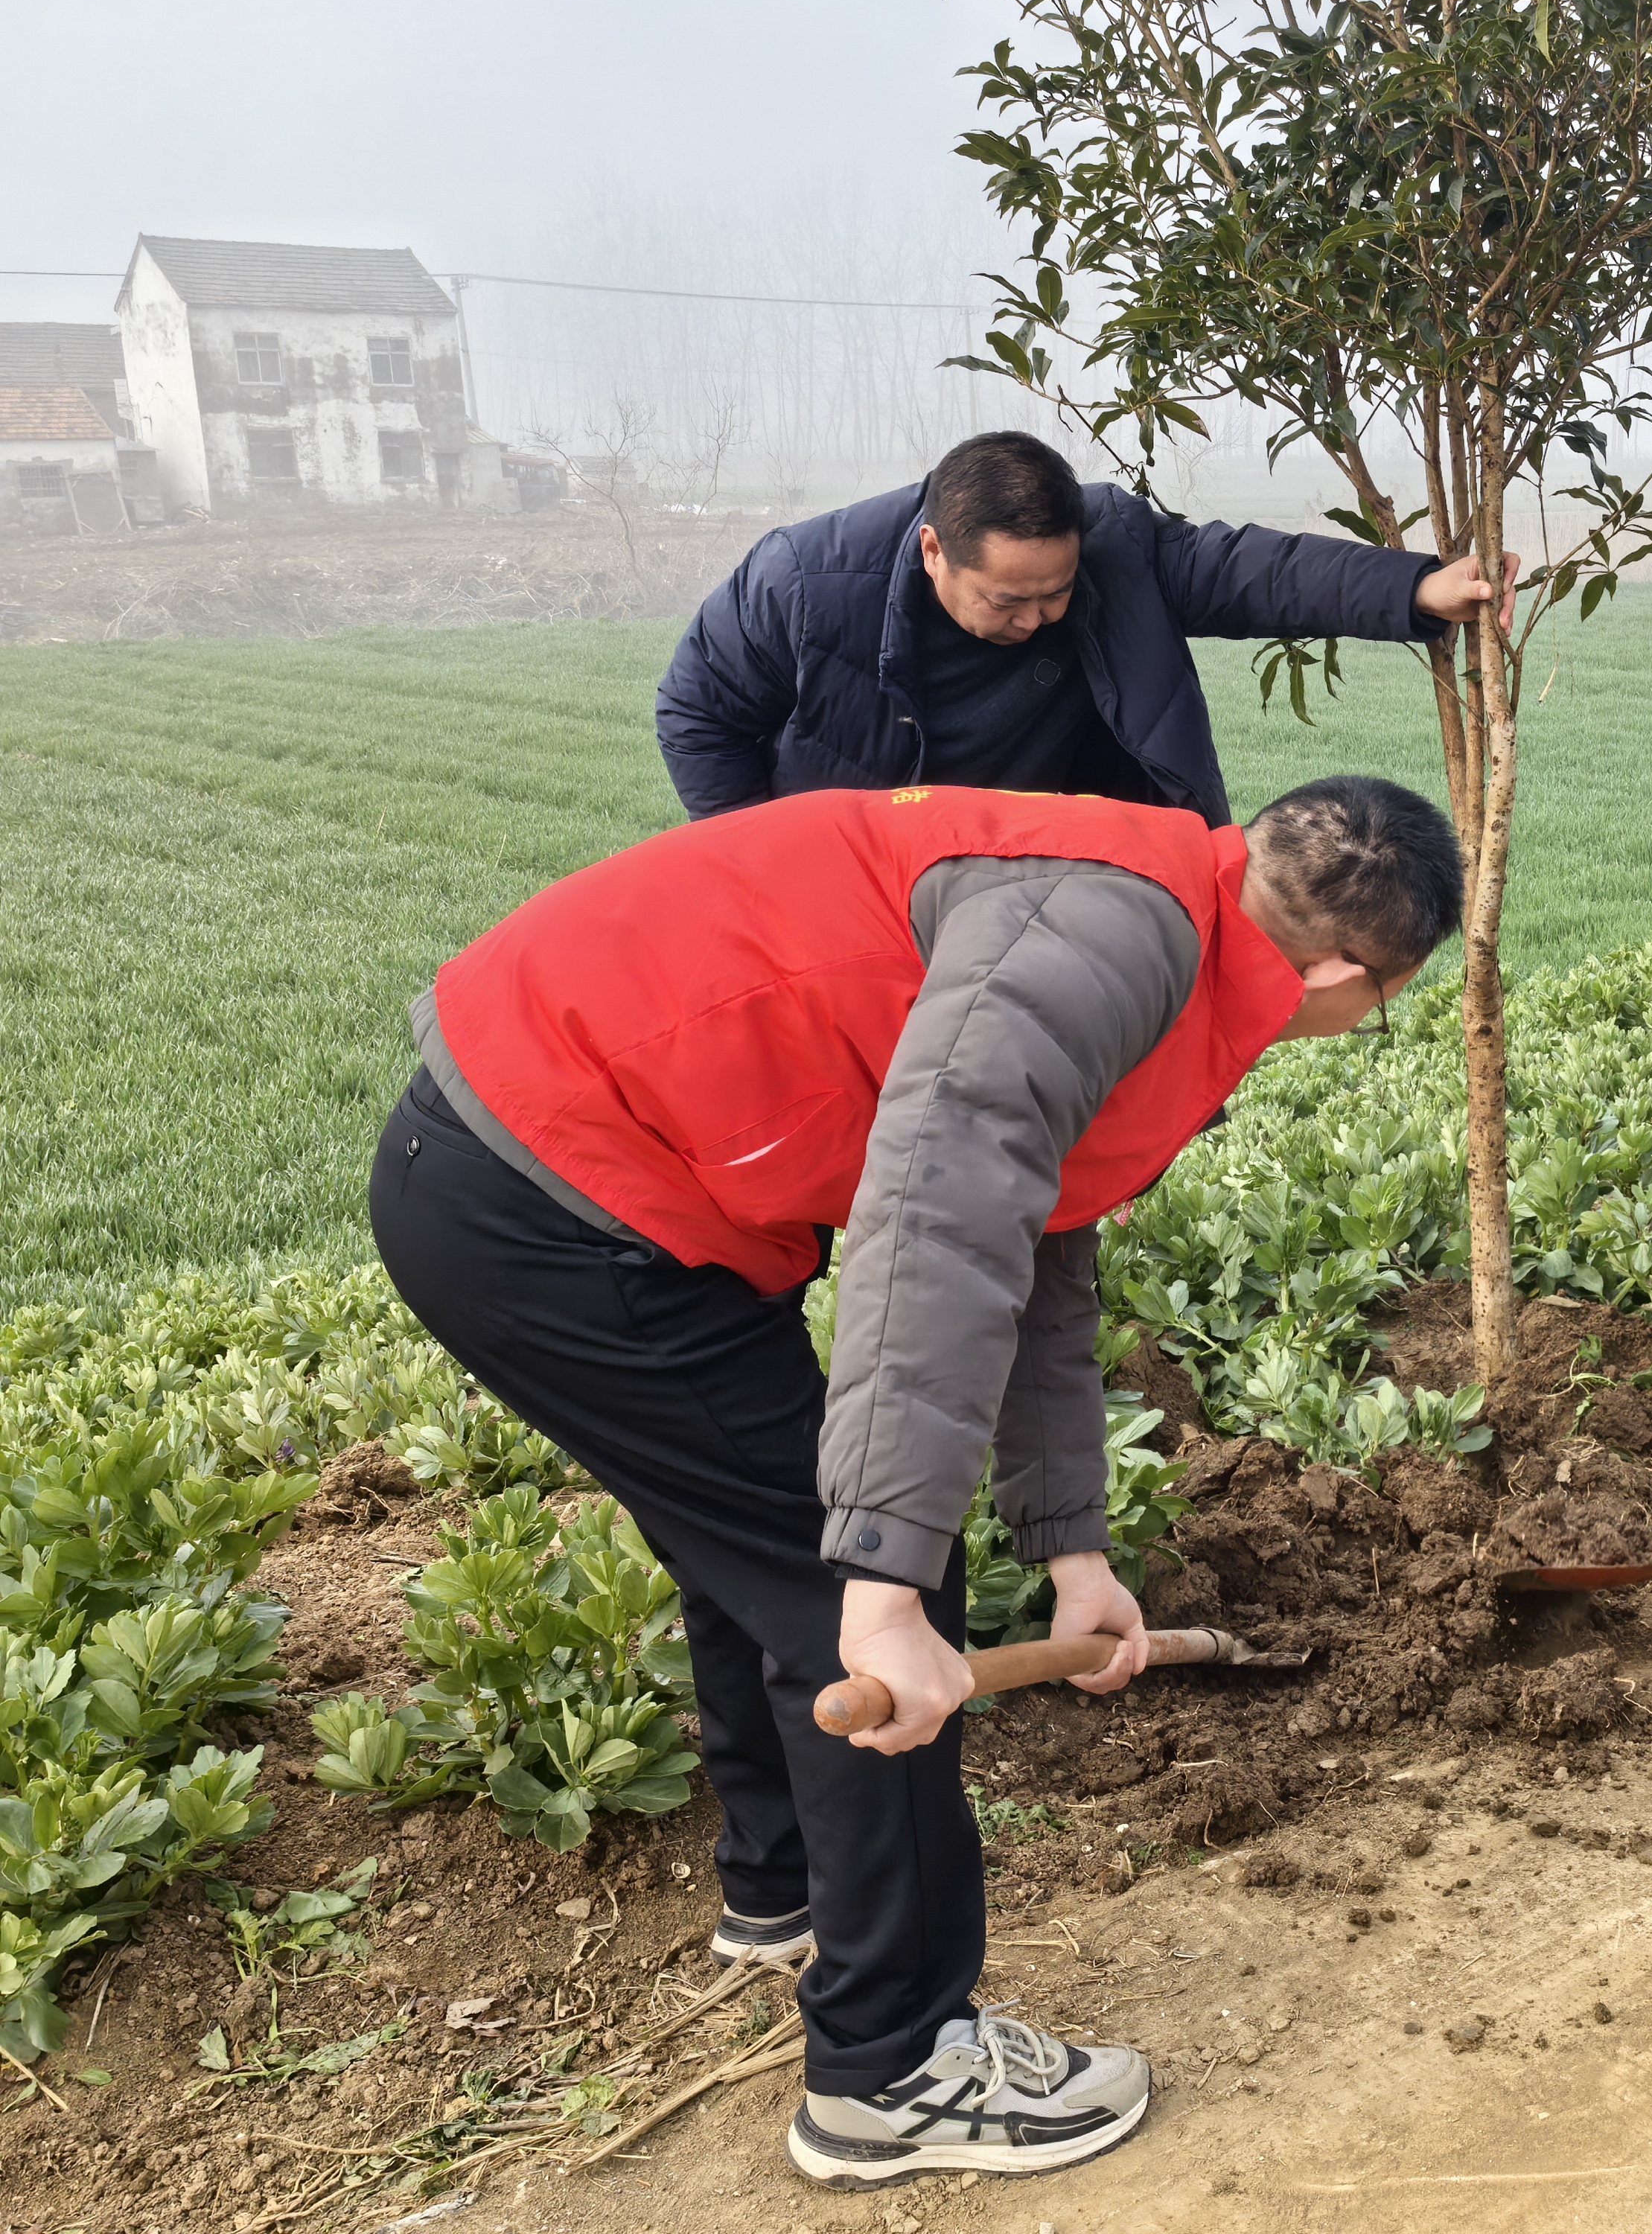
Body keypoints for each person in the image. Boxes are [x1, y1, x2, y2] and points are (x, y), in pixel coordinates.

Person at [368, 774, 1461, 2185]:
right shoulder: (1106, 944)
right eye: (1374, 1007)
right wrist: (887, 1580)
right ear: (1337, 972)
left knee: (771, 1527)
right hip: (553, 1191)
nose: (1345, 1029)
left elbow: (1040, 1240)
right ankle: (892, 2066)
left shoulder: (1166, 910)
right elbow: (941, 1216)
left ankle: (786, 1892)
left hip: (574, 1169)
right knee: (859, 1578)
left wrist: (1072, 1541)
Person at [656, 429, 1511, 823]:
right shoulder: (801, 582)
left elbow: (1254, 571)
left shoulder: (1114, 546)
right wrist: (766, 861)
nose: (1035, 620)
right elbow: (697, 713)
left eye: (1055, 594)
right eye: (1006, 601)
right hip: (868, 870)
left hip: (1045, 858)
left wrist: (1418, 589)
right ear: (932, 551)